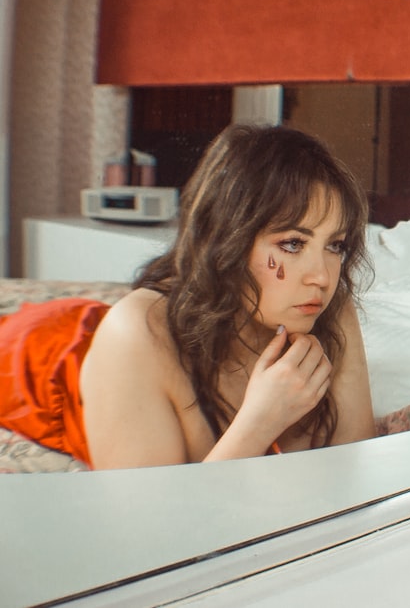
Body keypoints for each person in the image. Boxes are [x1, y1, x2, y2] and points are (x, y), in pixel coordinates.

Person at [0, 124, 375, 469]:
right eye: (292, 243)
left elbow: (355, 468)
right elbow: (156, 533)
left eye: (335, 245)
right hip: (41, 352)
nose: (322, 277)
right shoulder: (135, 334)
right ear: (227, 242)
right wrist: (259, 423)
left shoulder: (329, 303)